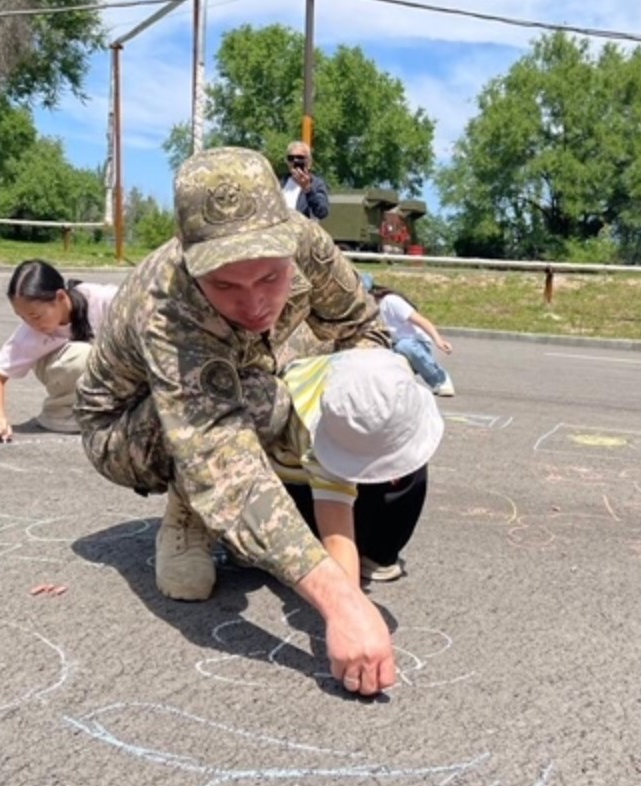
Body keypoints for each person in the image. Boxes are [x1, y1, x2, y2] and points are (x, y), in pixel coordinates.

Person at [75, 146, 395, 696]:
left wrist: (356, 422)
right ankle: (188, 512)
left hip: (244, 383)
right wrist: (341, 603)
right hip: (126, 429)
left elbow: (365, 330)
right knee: (261, 400)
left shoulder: (307, 242)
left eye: (270, 278)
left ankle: (252, 498)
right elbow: (219, 458)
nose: (253, 303)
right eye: (225, 285)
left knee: (289, 389)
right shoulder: (167, 303)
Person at [262, 347, 444, 586]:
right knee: (325, 557)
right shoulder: (314, 439)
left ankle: (378, 553)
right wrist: (349, 602)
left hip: (337, 443)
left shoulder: (386, 370)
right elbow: (338, 536)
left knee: (413, 465)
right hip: (293, 484)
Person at [0, 260, 118, 441]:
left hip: (115, 379)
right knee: (83, 356)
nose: (32, 324)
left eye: (36, 316)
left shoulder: (104, 300)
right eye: (22, 317)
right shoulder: (29, 334)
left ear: (60, 297)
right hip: (69, 371)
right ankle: (61, 413)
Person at [365, 275, 456, 397]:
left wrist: (438, 340)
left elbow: (422, 321)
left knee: (404, 345)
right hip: (394, 348)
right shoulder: (365, 311)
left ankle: (440, 380)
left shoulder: (390, 301)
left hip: (416, 345)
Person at [280, 140, 330, 220]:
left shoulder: (316, 184)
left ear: (309, 162)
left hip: (303, 231)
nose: (295, 161)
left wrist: (307, 189)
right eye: (291, 158)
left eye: (300, 158)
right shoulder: (280, 183)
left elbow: (322, 212)